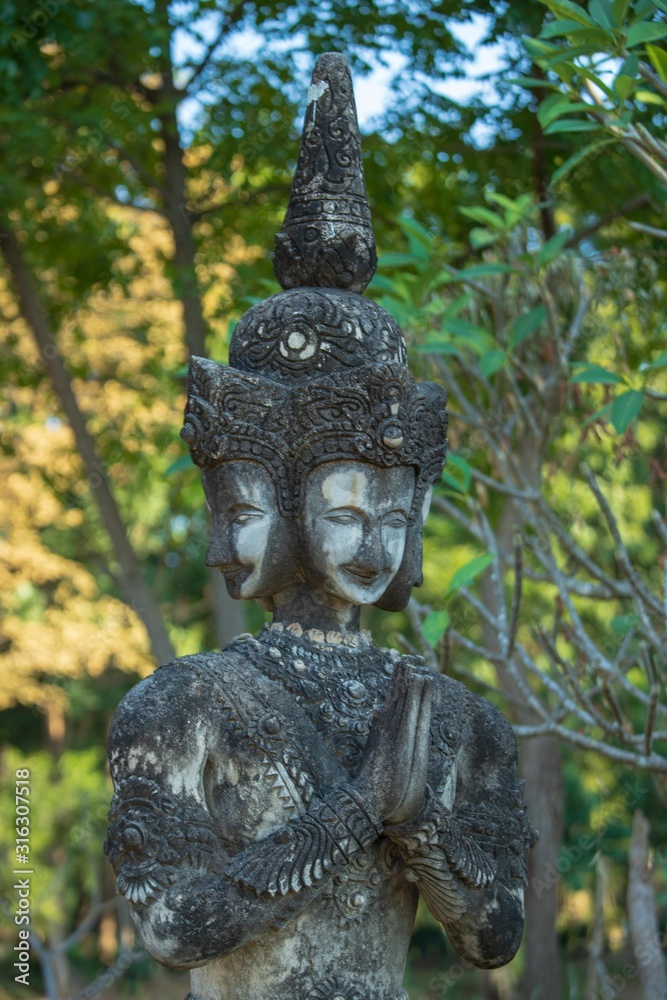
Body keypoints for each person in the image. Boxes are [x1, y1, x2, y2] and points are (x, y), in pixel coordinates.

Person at [105, 54, 537, 1000]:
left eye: (392, 512)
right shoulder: (182, 705)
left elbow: (496, 935)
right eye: (342, 511)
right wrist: (357, 812)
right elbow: (174, 927)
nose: (374, 543)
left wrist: (417, 820)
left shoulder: (456, 720)